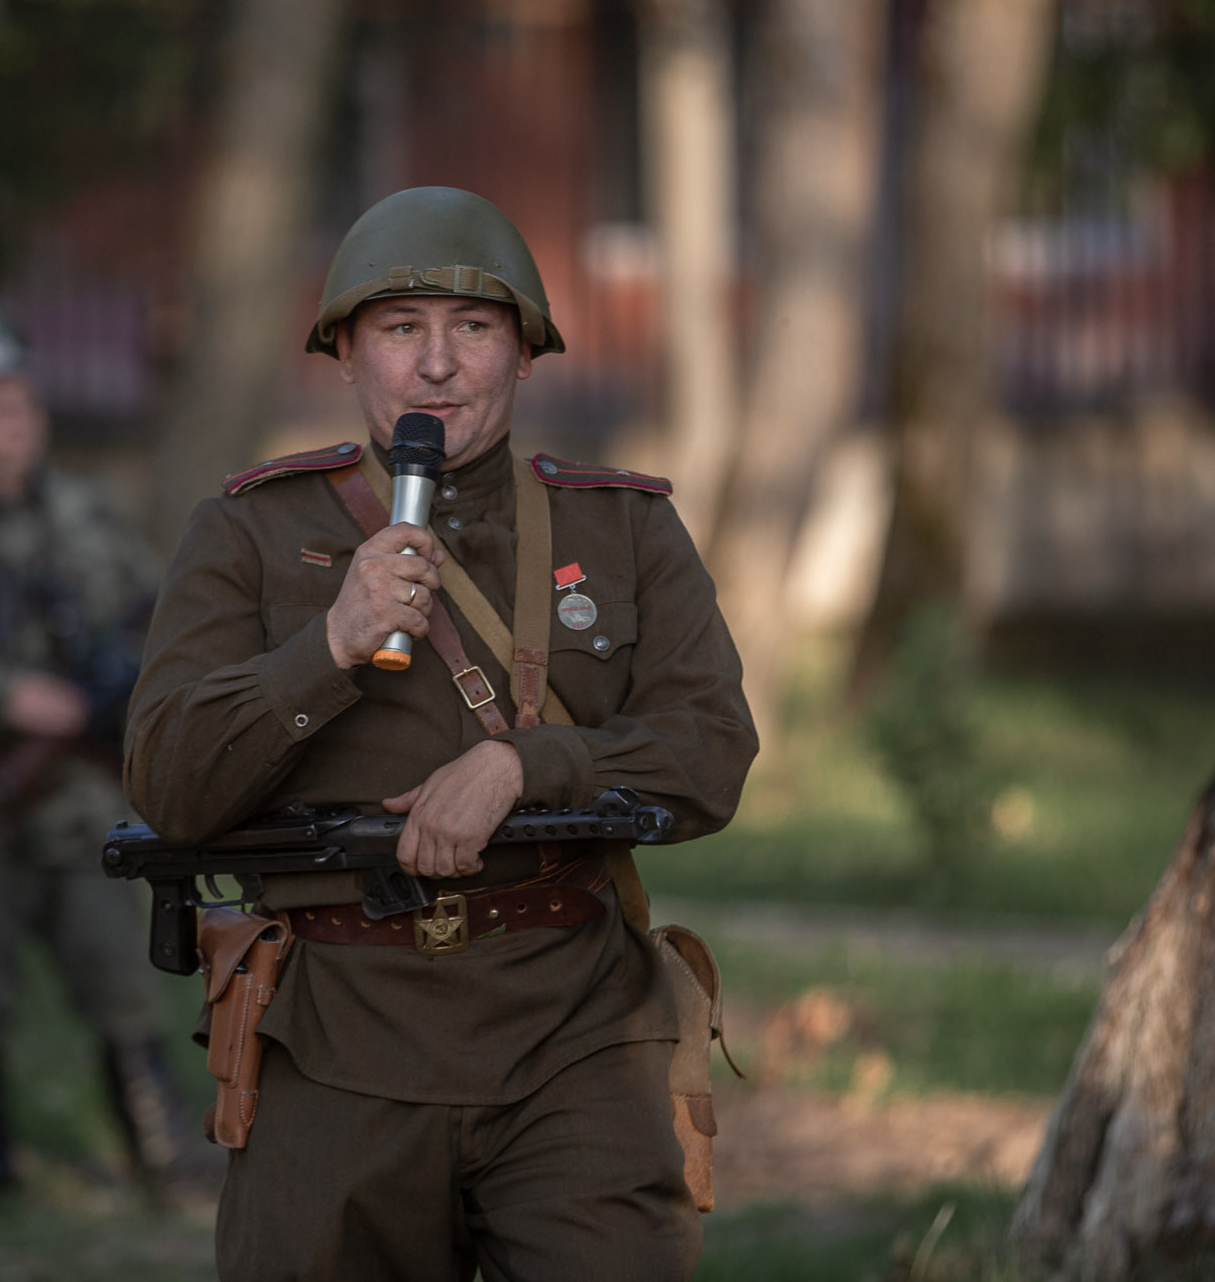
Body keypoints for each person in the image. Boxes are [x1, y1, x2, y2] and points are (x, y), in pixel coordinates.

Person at [124, 186, 759, 1280]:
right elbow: (169, 783)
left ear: (523, 355)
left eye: (471, 328)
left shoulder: (624, 526)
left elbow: (709, 748)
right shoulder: (248, 532)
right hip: (334, 1031)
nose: (435, 366)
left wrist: (528, 762)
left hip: (573, 1026)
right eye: (398, 329)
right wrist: (326, 643)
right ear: (344, 355)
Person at [0, 305, 196, 1214]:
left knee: (121, 983)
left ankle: (162, 1162)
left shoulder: (91, 509)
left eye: (22, 396)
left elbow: (159, 617)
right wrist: (3, 697)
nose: (15, 414)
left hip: (83, 803)